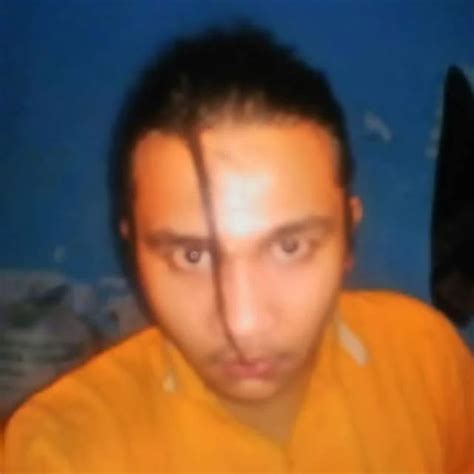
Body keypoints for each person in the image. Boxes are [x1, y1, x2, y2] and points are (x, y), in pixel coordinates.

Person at [3, 24, 473, 473]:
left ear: (349, 235)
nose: (243, 325)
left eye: (289, 246)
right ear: (136, 254)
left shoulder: (427, 356)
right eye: (192, 256)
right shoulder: (57, 453)